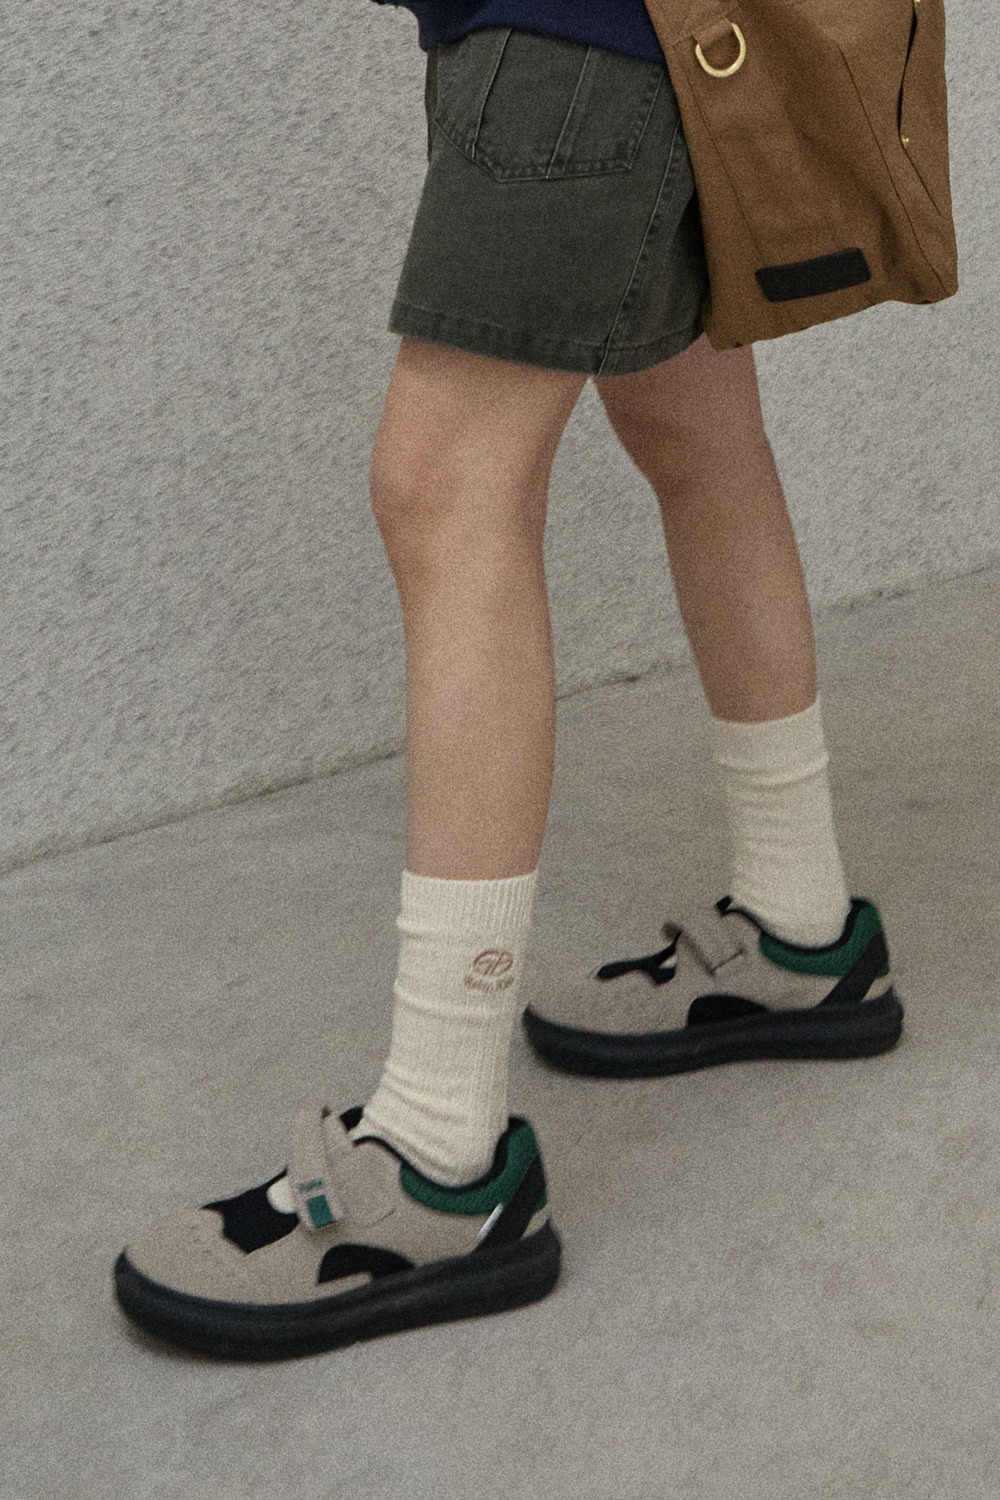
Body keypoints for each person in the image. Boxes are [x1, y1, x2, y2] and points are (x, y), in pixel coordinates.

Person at [113, 24, 903, 1359]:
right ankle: (803, 926)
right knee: (692, 421)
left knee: (446, 484)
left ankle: (438, 1159)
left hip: (579, 28)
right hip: (619, 28)